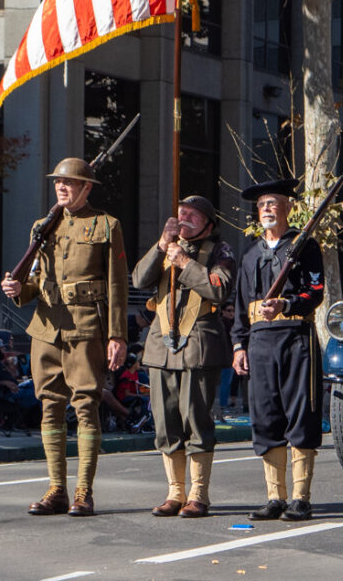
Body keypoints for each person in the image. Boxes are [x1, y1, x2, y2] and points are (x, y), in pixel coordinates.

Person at [0, 157, 128, 517]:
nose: (61, 187)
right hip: (45, 327)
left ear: (87, 188)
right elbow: (35, 282)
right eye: (58, 181)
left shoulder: (106, 224)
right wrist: (16, 288)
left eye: (69, 182)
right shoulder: (43, 226)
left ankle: (83, 492)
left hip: (86, 327)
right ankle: (56, 488)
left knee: (86, 406)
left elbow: (118, 284)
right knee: (49, 405)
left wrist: (117, 335)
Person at [132, 195, 235, 519]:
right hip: (162, 346)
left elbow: (219, 289)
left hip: (198, 346)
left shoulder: (220, 251)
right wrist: (162, 246)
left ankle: (198, 494)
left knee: (197, 420)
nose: (184, 218)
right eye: (181, 213)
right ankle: (175, 492)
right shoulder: (167, 246)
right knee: (165, 422)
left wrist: (185, 264)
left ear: (207, 222)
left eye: (192, 214)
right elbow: (138, 280)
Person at [232, 178, 325, 522]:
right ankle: (275, 497)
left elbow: (315, 291)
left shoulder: (304, 246)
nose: (266, 209)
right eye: (261, 205)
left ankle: (300, 497)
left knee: (301, 414)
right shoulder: (250, 255)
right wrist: (238, 344)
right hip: (260, 343)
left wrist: (286, 304)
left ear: (287, 207)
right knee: (265, 416)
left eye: (273, 203)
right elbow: (241, 303)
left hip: (296, 338)